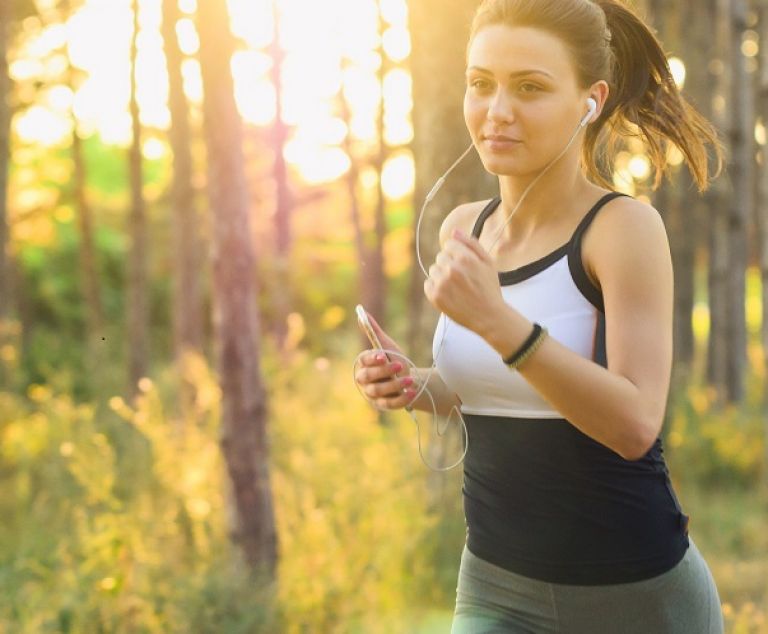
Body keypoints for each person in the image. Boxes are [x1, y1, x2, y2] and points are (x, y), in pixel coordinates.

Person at [354, 0, 726, 631]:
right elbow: (504, 389)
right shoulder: (462, 228)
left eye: (530, 87)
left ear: (591, 99)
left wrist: (500, 323)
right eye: (481, 84)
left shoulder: (621, 229)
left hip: (637, 597)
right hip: (496, 587)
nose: (497, 112)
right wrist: (415, 385)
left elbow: (635, 423)